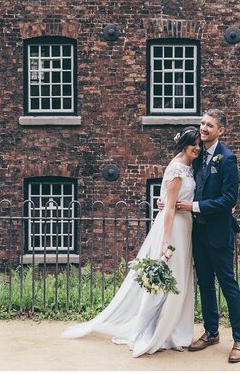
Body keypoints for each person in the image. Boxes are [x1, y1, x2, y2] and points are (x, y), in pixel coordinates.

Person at [61, 127, 200, 357]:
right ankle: (159, 331)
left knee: (181, 280)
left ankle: (176, 330)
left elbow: (170, 201)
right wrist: (166, 242)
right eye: (192, 143)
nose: (196, 147)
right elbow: (169, 210)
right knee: (171, 279)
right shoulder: (176, 169)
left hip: (185, 228)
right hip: (174, 229)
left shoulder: (188, 167)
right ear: (183, 144)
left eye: (198, 144)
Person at [175, 108, 240, 363]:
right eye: (202, 123)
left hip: (218, 232)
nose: (204, 128)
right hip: (197, 232)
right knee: (205, 283)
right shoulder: (196, 155)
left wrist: (193, 207)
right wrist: (169, 202)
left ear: (220, 130)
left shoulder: (227, 159)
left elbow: (229, 199)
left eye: (209, 125)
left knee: (228, 285)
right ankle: (211, 332)